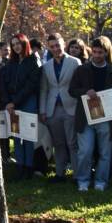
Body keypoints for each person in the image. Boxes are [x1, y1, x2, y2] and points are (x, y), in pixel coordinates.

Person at [69, 37, 112, 191]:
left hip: (107, 117)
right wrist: (85, 92)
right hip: (85, 117)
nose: (97, 55)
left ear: (106, 52)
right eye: (95, 51)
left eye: (100, 52)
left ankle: (101, 181)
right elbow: (72, 90)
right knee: (85, 151)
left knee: (105, 152)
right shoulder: (81, 69)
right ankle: (83, 180)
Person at [38, 33, 81, 182]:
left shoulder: (75, 62)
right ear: (48, 48)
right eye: (52, 46)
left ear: (63, 44)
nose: (56, 49)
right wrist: (42, 110)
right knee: (58, 143)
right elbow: (44, 89)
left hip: (71, 107)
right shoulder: (46, 66)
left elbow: (79, 86)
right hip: (52, 109)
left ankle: (77, 175)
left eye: (58, 45)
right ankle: (60, 173)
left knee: (72, 143)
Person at [4, 34, 42, 179]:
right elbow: (6, 83)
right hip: (13, 103)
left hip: (27, 102)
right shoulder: (11, 63)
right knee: (16, 135)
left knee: (27, 136)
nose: (16, 47)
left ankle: (28, 167)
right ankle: (19, 166)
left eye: (18, 43)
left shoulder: (33, 60)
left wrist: (15, 102)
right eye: (13, 44)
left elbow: (31, 85)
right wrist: (8, 102)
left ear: (24, 43)